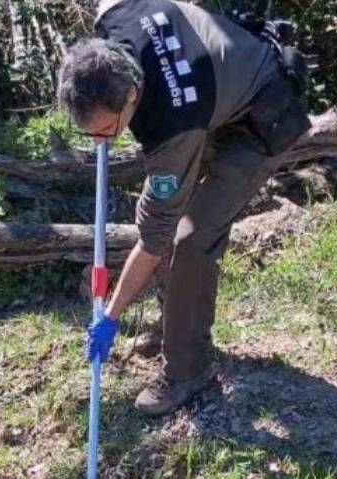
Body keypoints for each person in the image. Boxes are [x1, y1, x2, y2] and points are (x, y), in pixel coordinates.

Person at [58, 0, 310, 416]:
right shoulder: (116, 14)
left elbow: (154, 238)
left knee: (190, 239)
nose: (100, 143)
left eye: (106, 131)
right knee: (176, 232)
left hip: (261, 115)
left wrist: (112, 316)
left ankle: (188, 371)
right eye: (90, 134)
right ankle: (178, 326)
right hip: (217, 94)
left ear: (133, 95)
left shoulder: (170, 127)